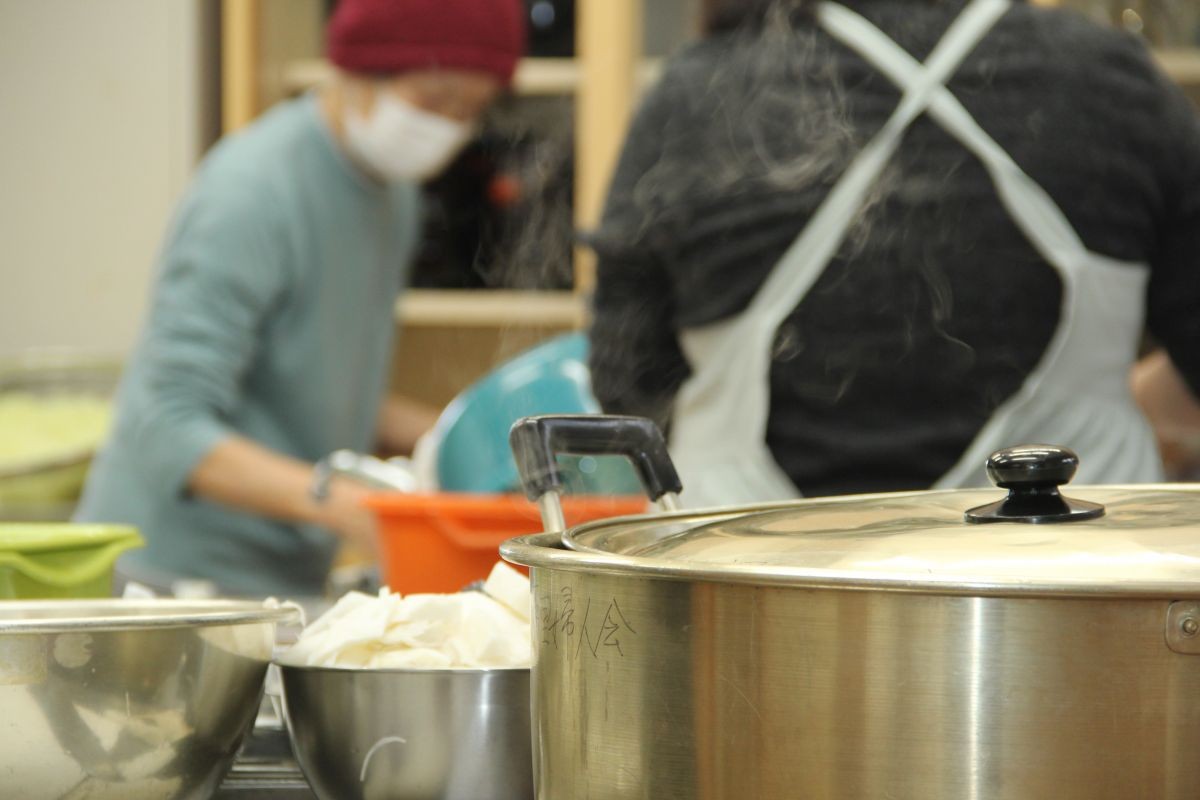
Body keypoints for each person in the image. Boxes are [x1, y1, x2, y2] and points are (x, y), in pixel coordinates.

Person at [587, 0, 1200, 508]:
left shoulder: (699, 93)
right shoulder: (1110, 82)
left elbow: (628, 378)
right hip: (1061, 606)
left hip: (746, 598)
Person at [76, 0, 526, 596]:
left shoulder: (393, 196)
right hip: (166, 577)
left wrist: (483, 441)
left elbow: (319, 388)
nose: (446, 126)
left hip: (283, 577)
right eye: (433, 100)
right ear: (358, 69)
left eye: (469, 110)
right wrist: (342, 503)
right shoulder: (253, 191)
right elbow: (166, 425)